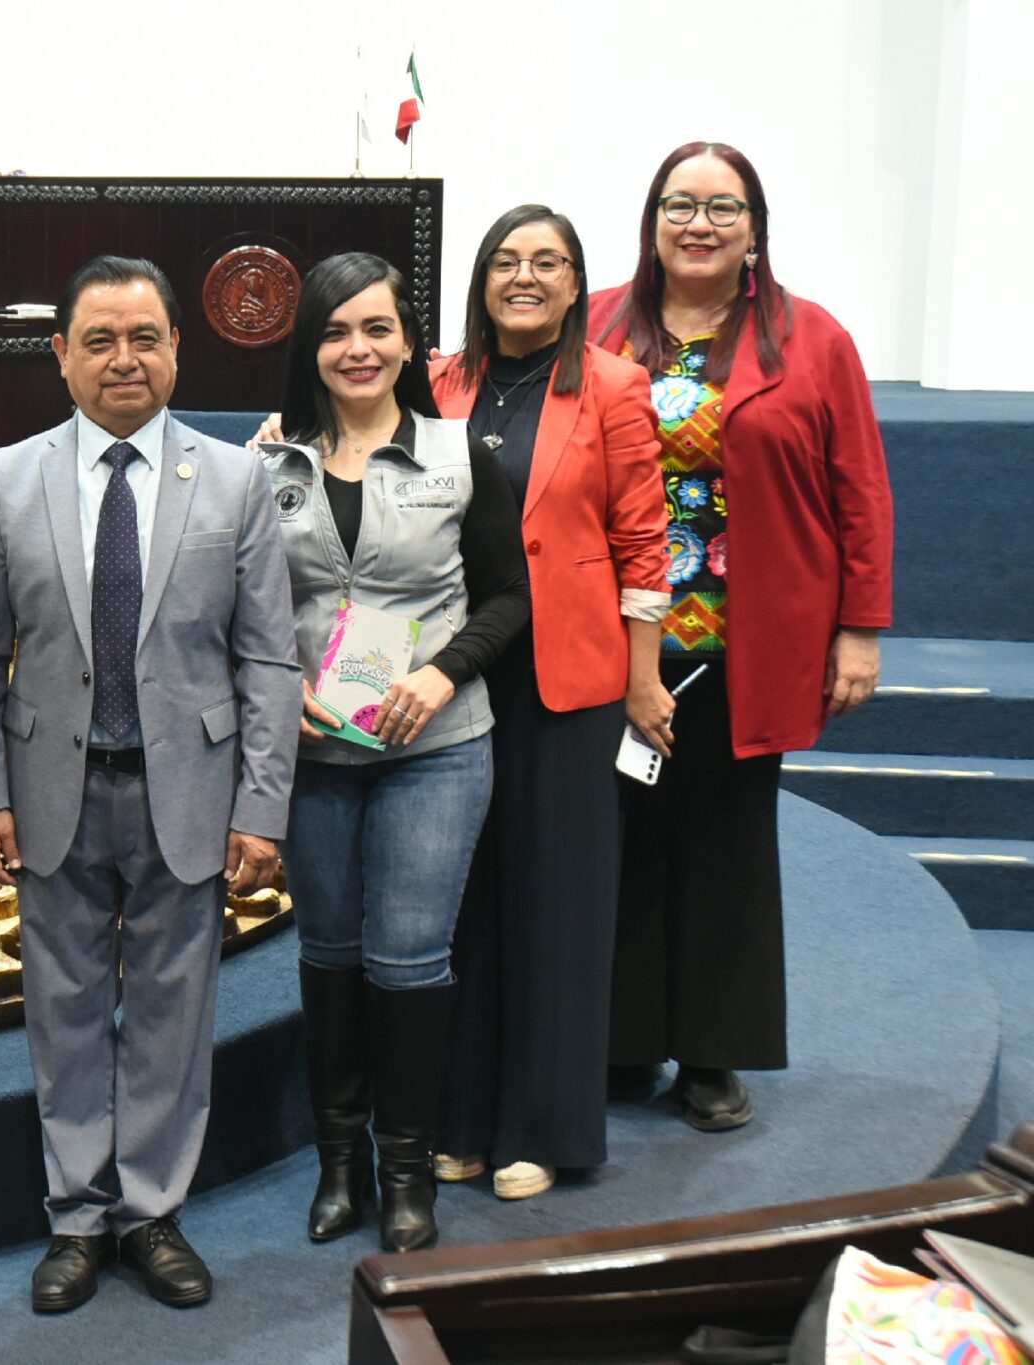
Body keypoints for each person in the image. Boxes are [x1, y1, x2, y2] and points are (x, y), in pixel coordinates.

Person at [0, 256, 300, 1312]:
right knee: (59, 1012)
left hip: (185, 788)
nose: (123, 359)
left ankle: (148, 1212)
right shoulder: (6, 476)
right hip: (50, 788)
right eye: (98, 340)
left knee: (169, 1012)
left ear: (176, 348)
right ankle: (75, 1217)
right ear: (60, 355)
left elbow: (268, 658)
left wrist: (261, 805)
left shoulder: (234, 480)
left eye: (144, 337)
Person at [592, 141, 894, 1131]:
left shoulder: (813, 339)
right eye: (679, 204)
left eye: (723, 207)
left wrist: (859, 628)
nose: (699, 223)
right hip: (612, 633)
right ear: (651, 222)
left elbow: (860, 491)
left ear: (754, 229)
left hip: (744, 638)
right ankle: (621, 1041)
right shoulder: (595, 323)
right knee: (620, 840)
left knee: (724, 846)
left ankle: (710, 1054)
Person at [256, 252, 529, 1252]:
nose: (356, 349)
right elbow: (239, 608)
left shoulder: (459, 456)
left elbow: (510, 595)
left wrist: (442, 673)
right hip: (313, 756)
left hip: (434, 749)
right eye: (334, 332)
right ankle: (339, 1169)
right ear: (310, 349)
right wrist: (271, 687)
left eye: (376, 328)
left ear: (409, 343)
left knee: (408, 960)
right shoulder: (266, 466)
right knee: (327, 956)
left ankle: (406, 1172)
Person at [427, 207, 670, 1201]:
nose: (523, 276)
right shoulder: (437, 382)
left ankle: (542, 1128)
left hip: (566, 684)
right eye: (505, 261)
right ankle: (462, 1120)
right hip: (455, 674)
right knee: (463, 901)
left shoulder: (612, 385)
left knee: (555, 906)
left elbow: (643, 544)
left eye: (547, 262)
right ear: (480, 279)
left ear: (576, 285)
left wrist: (644, 679)